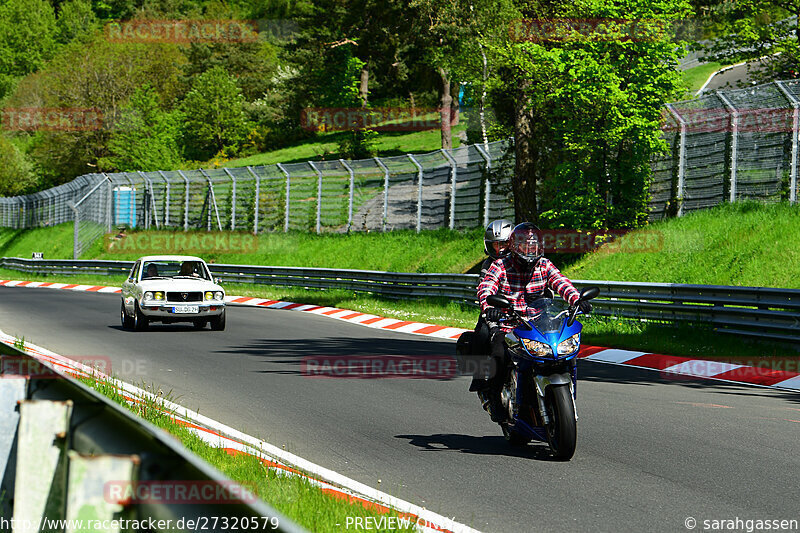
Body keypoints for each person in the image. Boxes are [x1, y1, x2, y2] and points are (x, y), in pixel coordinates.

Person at [475, 222, 592, 422]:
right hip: (508, 323)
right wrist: (489, 307)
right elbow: (486, 288)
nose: (529, 250)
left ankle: (565, 398)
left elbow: (561, 282)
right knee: (499, 352)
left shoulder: (544, 265)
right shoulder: (500, 265)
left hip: (540, 324)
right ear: (514, 245)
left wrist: (577, 299)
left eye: (533, 245)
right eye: (524, 245)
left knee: (565, 351)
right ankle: (495, 398)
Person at [463, 220, 513, 396]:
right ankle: (478, 377)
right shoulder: (488, 266)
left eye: (504, 244)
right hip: (494, 311)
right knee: (482, 333)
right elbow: (483, 288)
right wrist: (490, 307)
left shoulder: (521, 262)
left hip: (521, 312)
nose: (500, 249)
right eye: (495, 245)